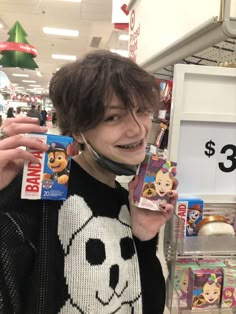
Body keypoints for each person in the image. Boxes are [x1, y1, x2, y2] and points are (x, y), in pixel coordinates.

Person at [0, 50, 178, 314]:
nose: (138, 129)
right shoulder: (44, 190)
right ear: (78, 130)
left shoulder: (126, 199)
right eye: (113, 117)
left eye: (142, 111)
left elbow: (144, 305)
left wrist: (143, 237)